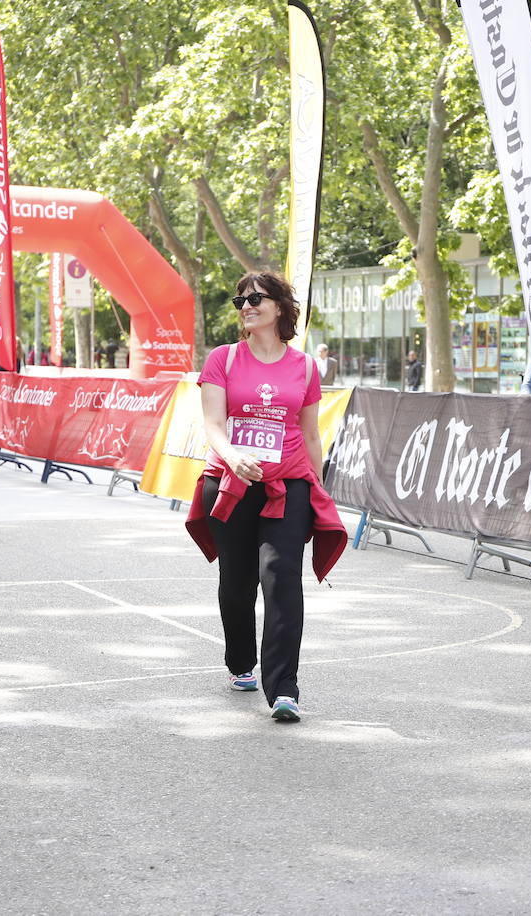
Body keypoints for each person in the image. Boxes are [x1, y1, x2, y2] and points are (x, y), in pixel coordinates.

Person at [185, 271, 347, 723]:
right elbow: (214, 424)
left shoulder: (305, 367)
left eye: (255, 298)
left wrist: (316, 487)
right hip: (231, 483)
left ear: (279, 306)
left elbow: (310, 433)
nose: (246, 306)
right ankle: (241, 662)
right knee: (238, 586)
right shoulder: (224, 359)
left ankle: (284, 688)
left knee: (280, 578)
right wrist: (235, 458)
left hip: (288, 485)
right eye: (240, 301)